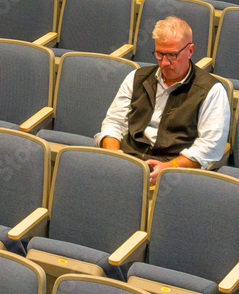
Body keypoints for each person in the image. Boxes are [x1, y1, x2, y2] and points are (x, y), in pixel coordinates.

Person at [96, 16, 230, 184]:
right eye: (159, 54)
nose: (164, 63)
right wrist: (114, 154)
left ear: (190, 50)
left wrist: (170, 167)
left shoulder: (211, 91)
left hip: (173, 175)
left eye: (172, 55)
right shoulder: (137, 78)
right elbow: (113, 123)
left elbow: (209, 147)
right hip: (126, 164)